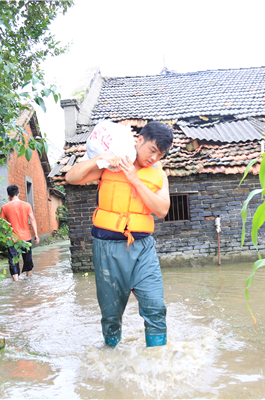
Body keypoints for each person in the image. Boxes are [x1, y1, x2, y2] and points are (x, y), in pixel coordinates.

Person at [65, 121, 173, 348]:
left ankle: (158, 365)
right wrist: (99, 158)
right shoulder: (112, 164)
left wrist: (135, 180)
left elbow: (162, 210)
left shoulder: (159, 175)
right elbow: (71, 178)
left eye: (160, 154)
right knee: (111, 314)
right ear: (140, 139)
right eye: (152, 150)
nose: (154, 158)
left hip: (143, 248)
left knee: (155, 307)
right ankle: (111, 360)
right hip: (107, 248)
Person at [0, 185, 40, 281]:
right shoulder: (27, 205)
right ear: (18, 193)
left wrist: (5, 234)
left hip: (12, 239)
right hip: (26, 237)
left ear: (8, 195)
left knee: (13, 260)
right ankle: (29, 279)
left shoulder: (4, 207)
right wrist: (36, 235)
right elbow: (32, 219)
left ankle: (16, 283)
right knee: (28, 259)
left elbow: (2, 224)